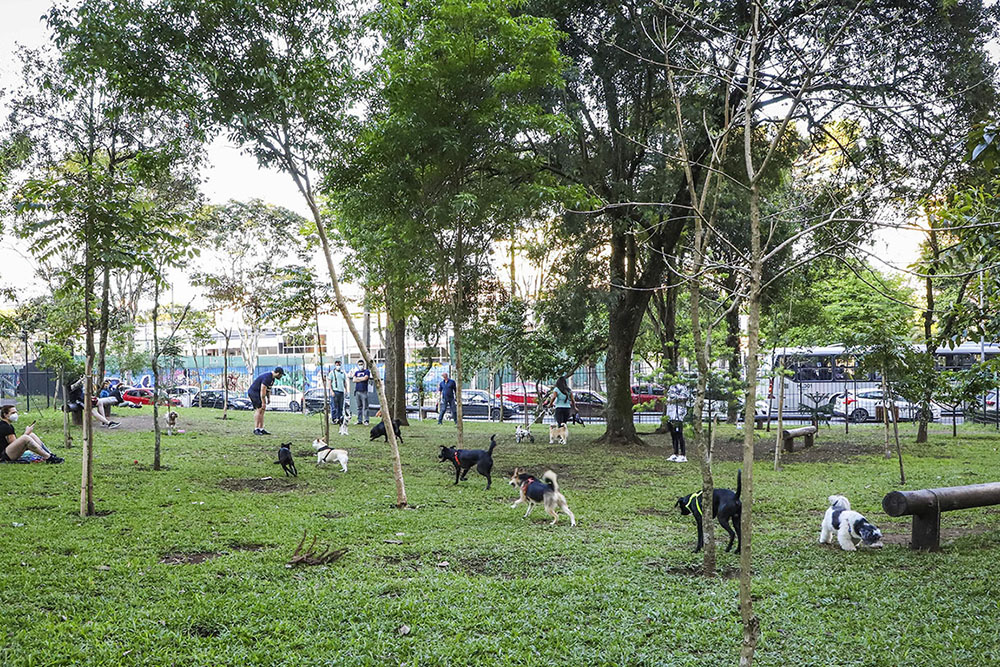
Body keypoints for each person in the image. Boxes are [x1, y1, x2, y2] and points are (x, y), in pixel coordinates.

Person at [248, 367, 284, 436]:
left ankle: (261, 428)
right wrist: (263, 402)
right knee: (259, 409)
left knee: (263, 410)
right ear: (278, 373)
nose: (281, 377)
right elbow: (262, 390)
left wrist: (269, 398)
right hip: (254, 392)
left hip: (259, 393)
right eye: (281, 375)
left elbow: (268, 389)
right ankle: (256, 429)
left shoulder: (272, 379)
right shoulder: (267, 377)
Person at [350, 360, 372, 425]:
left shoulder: (366, 371)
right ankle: (359, 420)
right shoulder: (356, 372)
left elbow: (366, 378)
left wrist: (358, 379)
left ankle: (366, 420)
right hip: (357, 391)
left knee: (365, 407)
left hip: (364, 391)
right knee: (359, 407)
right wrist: (360, 379)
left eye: (361, 364)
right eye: (359, 364)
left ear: (364, 364)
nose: (360, 365)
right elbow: (354, 380)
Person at [328, 360, 348, 425]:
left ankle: (339, 418)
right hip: (335, 391)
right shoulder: (332, 373)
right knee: (334, 406)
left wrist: (346, 390)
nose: (338, 366)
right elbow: (329, 382)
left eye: (339, 365)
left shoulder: (342, 373)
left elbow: (345, 382)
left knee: (340, 407)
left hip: (341, 391)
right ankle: (334, 419)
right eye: (337, 365)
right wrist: (331, 391)